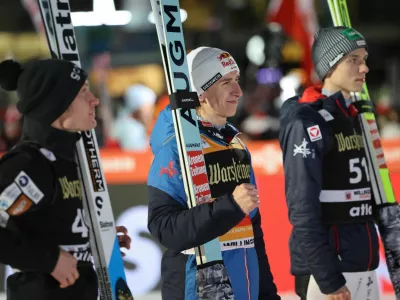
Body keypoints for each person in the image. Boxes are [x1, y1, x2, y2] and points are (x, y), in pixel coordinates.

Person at [147, 47, 280, 299]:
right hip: (195, 287)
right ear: (201, 92)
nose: (238, 91)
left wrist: (267, 294)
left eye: (237, 81)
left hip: (245, 285)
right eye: (225, 82)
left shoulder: (235, 143)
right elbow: (163, 228)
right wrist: (229, 206)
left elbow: (253, 231)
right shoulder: (175, 147)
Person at [0, 59, 131, 300]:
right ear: (57, 105)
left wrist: (94, 240)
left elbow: (50, 228)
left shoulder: (67, 158)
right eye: (83, 92)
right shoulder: (32, 164)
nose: (95, 99)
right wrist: (49, 261)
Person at [279, 26, 380, 300]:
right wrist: (328, 279)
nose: (364, 69)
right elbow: (302, 209)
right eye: (354, 61)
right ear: (330, 65)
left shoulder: (357, 117)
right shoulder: (307, 121)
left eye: (365, 60)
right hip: (330, 273)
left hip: (364, 263)